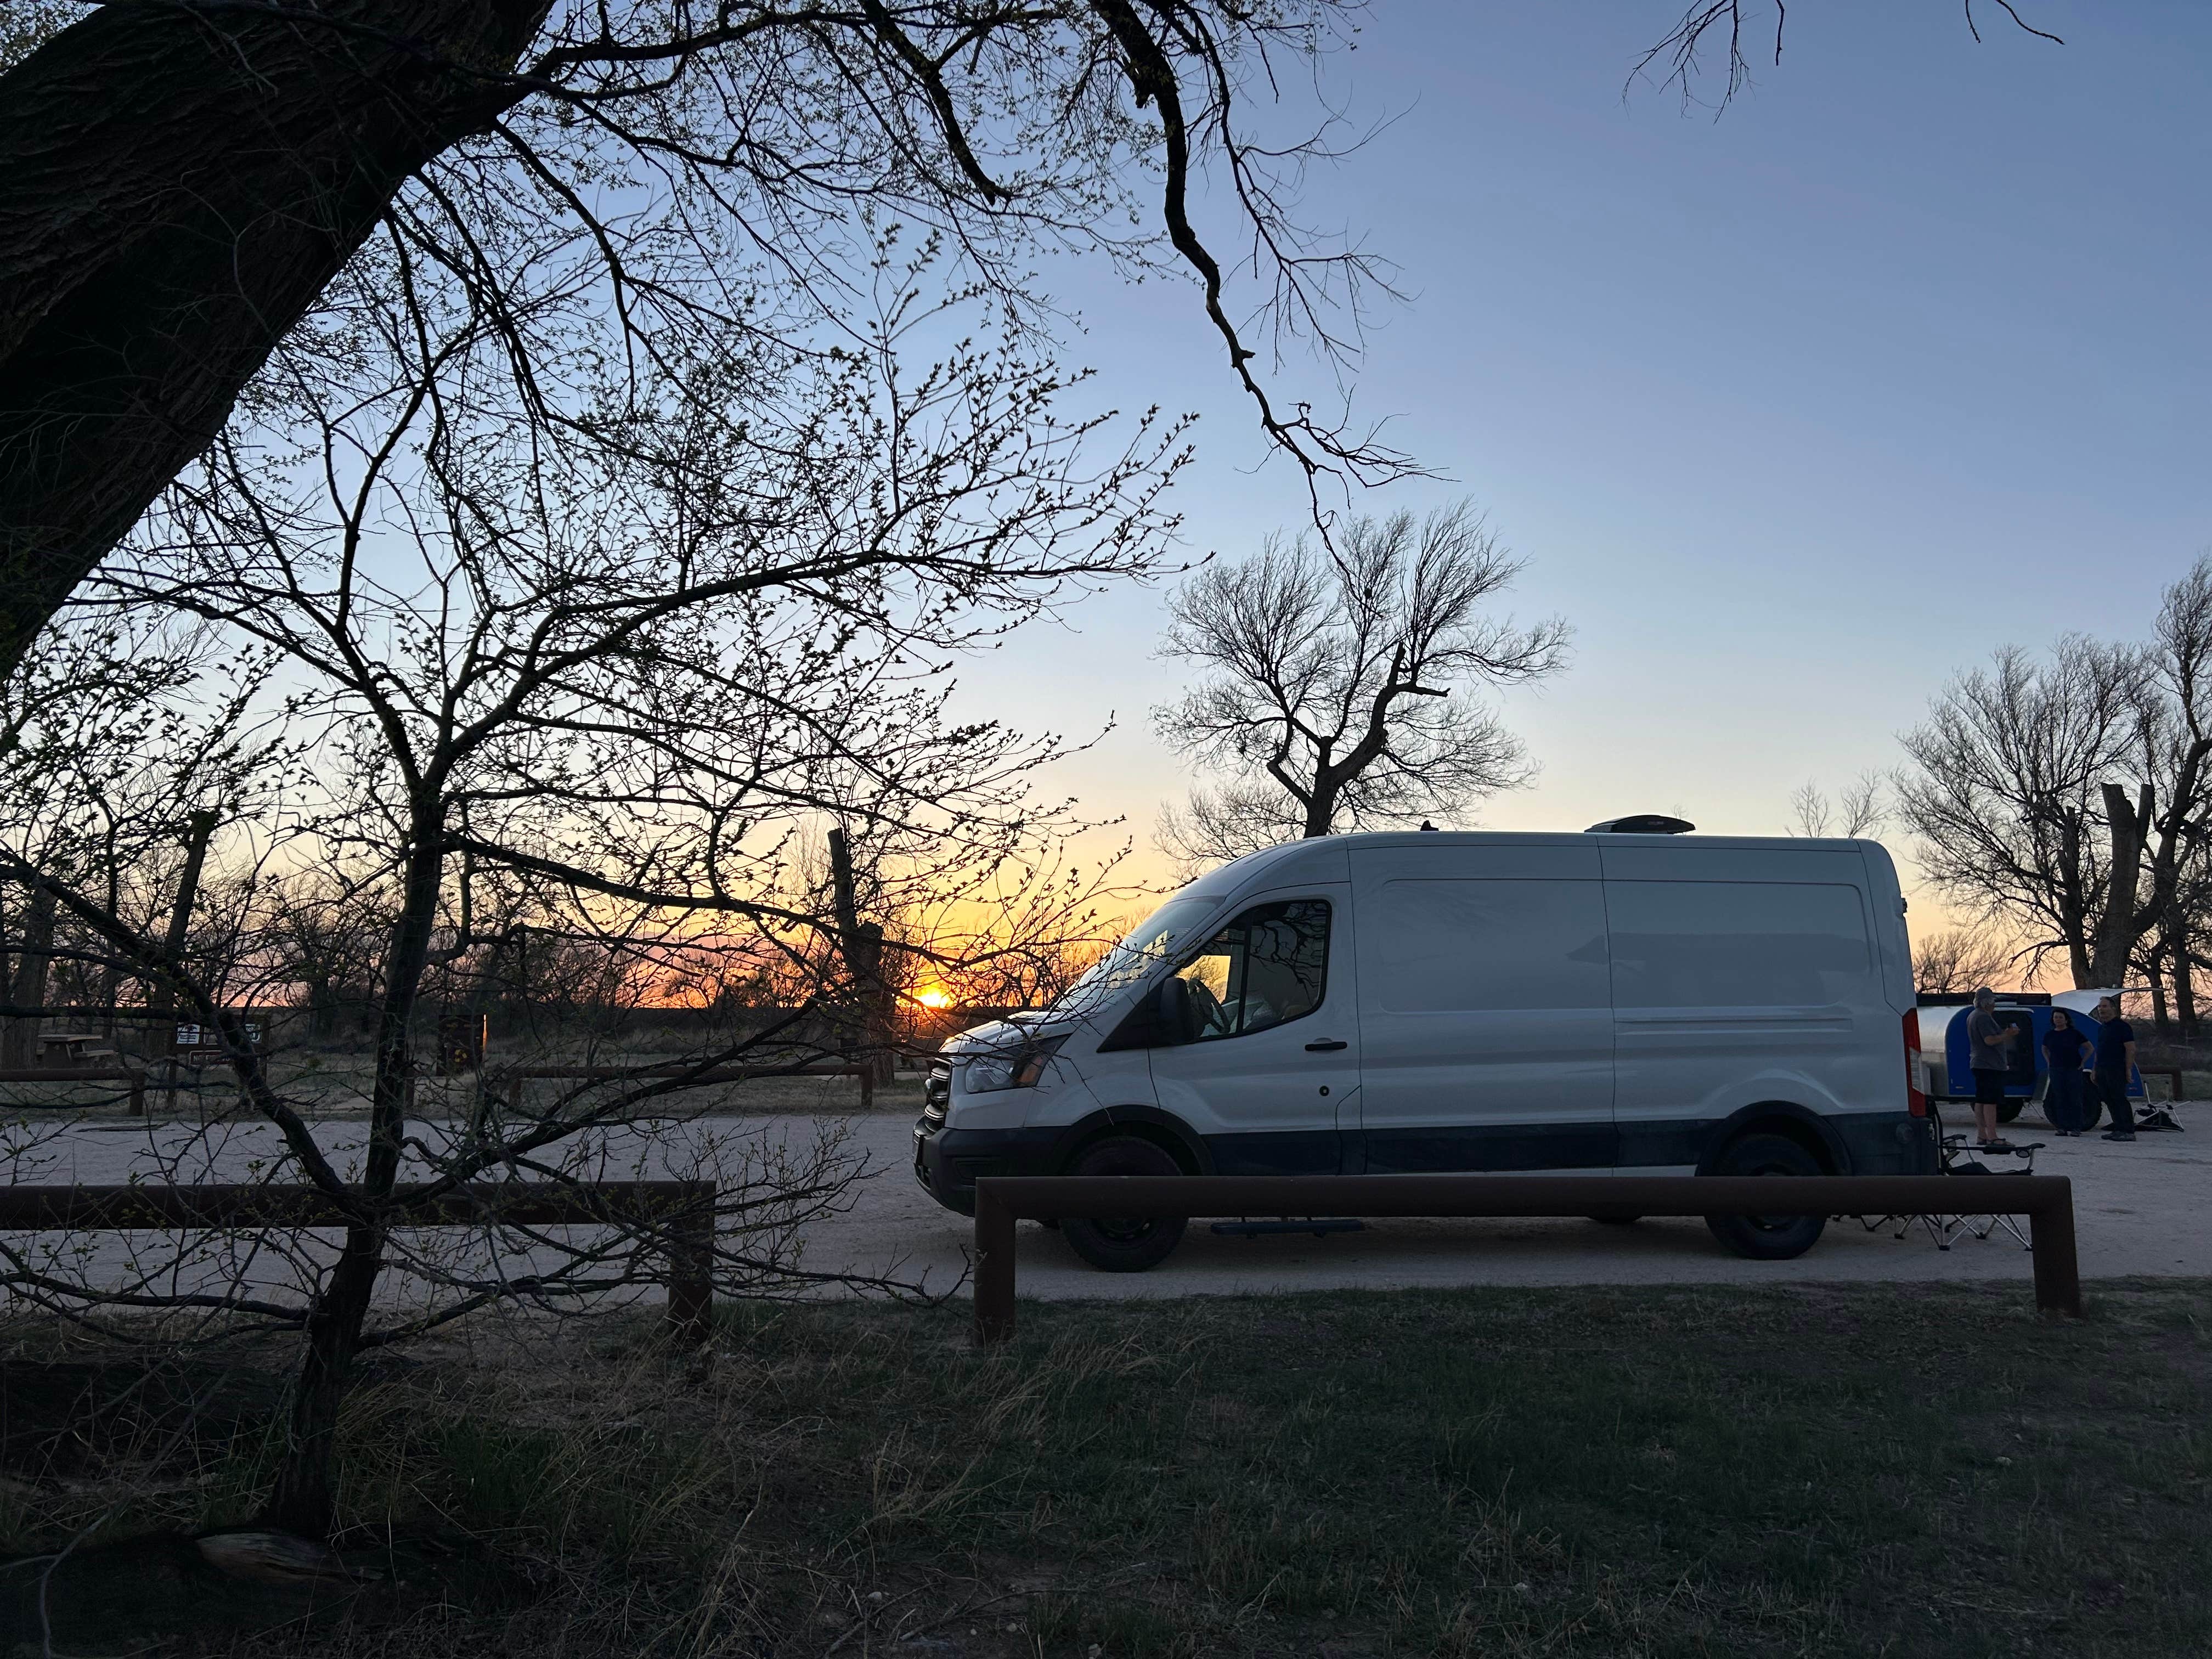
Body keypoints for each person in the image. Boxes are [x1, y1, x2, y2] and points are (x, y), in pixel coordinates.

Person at [1965, 987, 2019, 1148]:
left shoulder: (1973, 1016)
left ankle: (1982, 1135)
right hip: (1989, 1066)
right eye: (1993, 1002)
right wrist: (2008, 1035)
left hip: (1980, 1064)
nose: (1994, 1005)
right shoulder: (1983, 1018)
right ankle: (1993, 1137)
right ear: (1987, 1003)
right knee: (1990, 1101)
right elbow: (1989, 1040)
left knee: (1981, 1100)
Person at [2090, 996, 2138, 1142]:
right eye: (2099, 1007)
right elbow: (2099, 1050)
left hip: (2116, 1069)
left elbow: (2130, 1049)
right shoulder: (2102, 1028)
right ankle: (2118, 1129)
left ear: (2113, 1008)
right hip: (2102, 1069)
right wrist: (2094, 1069)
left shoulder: (2122, 1027)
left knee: (2119, 1099)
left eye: (2104, 1006)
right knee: (2109, 1099)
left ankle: (2128, 1131)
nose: (2101, 1009)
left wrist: (2128, 1069)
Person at [2041, 1008, 2094, 1136]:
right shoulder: (2050, 1035)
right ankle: (2062, 1127)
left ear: (2066, 1020)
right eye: (2056, 1017)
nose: (2058, 1020)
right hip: (2056, 1069)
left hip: (2073, 1069)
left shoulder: (2074, 1034)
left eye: (2060, 1017)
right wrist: (2049, 1062)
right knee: (2060, 1098)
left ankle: (2077, 1127)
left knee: (2075, 1098)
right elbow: (2044, 1049)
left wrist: (2083, 1062)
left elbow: (2090, 1048)